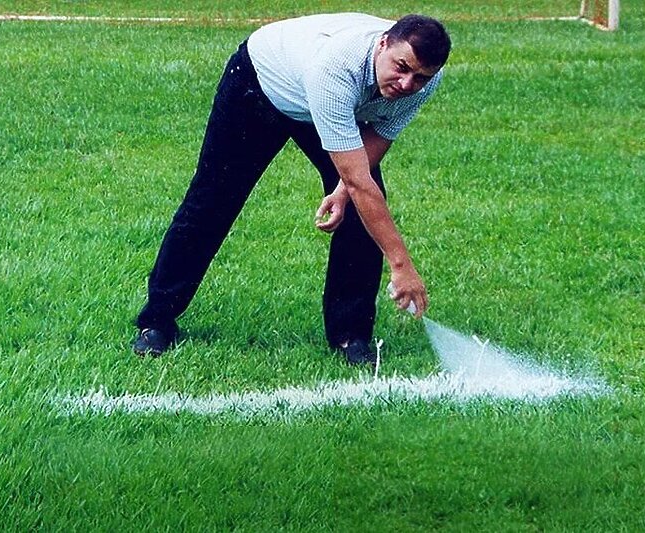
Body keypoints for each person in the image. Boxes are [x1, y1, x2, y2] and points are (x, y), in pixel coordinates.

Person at [133, 12, 451, 365]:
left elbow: (379, 137)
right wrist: (401, 265)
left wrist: (343, 191)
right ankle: (156, 320)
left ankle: (351, 335)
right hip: (259, 85)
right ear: (382, 44)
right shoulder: (335, 70)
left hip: (321, 99)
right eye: (401, 67)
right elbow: (360, 181)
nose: (407, 83)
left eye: (419, 77)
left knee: (363, 209)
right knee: (212, 201)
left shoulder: (426, 79)